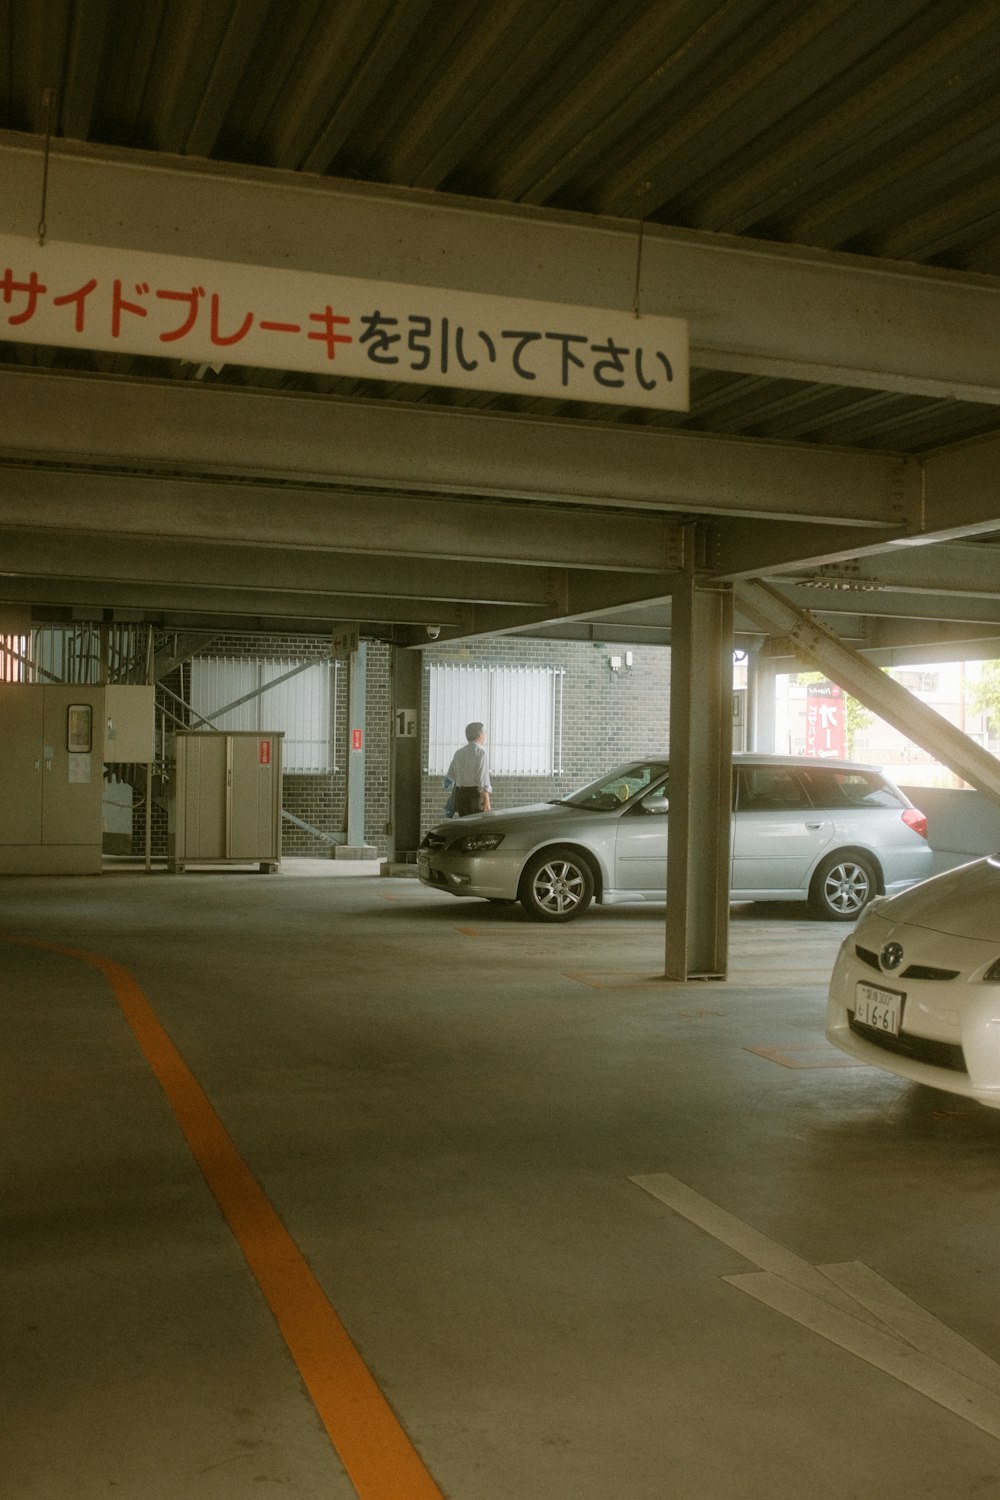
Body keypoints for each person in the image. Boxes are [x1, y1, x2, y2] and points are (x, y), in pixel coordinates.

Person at [446, 721, 492, 817]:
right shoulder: (481, 753)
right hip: (474, 797)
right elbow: (482, 780)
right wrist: (486, 800)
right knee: (476, 827)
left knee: (464, 826)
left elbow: (450, 774)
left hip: (460, 795)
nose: (485, 736)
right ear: (479, 735)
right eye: (484, 733)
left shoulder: (458, 753)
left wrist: (462, 781)